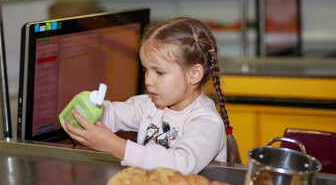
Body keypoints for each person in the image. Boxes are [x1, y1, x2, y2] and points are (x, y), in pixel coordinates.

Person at [64, 17, 241, 175]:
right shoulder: (150, 105)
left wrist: (116, 147)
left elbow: (180, 165)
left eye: (160, 72)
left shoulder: (206, 122)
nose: (148, 80)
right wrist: (89, 111)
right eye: (146, 70)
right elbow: (113, 113)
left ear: (194, 74)